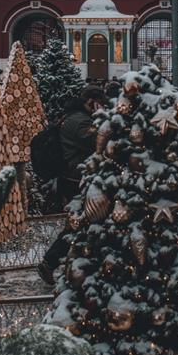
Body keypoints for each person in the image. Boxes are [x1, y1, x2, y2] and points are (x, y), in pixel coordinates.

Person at [38, 85, 109, 285]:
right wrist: (104, 119)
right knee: (81, 223)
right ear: (91, 102)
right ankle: (51, 262)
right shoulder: (78, 121)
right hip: (75, 180)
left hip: (76, 178)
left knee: (82, 223)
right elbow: (96, 141)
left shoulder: (75, 117)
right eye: (99, 104)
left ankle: (69, 262)